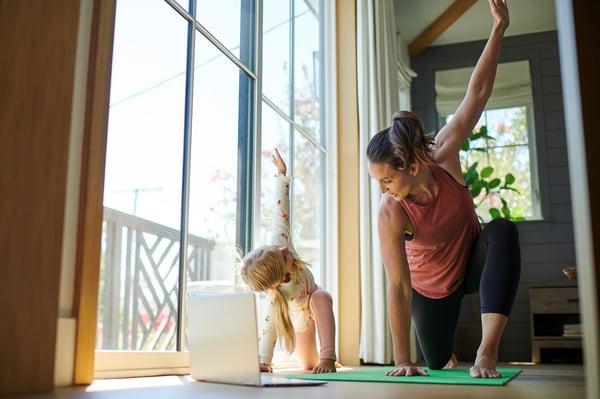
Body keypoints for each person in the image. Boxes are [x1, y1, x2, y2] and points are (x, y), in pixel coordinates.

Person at [366, 0, 520, 379]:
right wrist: (403, 360)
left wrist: (498, 27)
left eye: (387, 179)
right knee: (436, 361)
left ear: (413, 165)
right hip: (432, 289)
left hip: (472, 261)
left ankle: (487, 351)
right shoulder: (391, 210)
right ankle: (444, 352)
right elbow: (399, 286)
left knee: (502, 230)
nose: (383, 189)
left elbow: (477, 93)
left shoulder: (441, 154)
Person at [240, 148, 337, 374]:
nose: (285, 249)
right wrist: (264, 360)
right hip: (300, 318)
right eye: (284, 256)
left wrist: (282, 176)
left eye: (279, 249)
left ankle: (330, 357)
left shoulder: (279, 244)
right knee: (309, 365)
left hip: (314, 300)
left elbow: (280, 210)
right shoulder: (277, 295)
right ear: (281, 278)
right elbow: (269, 326)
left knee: (322, 297)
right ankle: (319, 360)